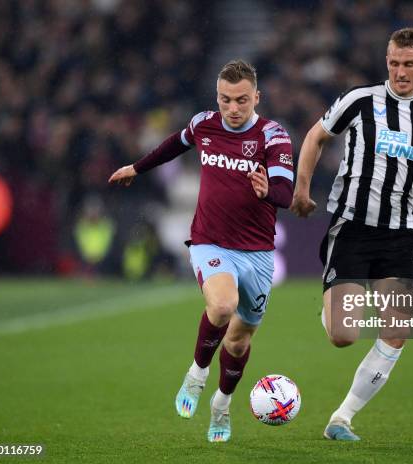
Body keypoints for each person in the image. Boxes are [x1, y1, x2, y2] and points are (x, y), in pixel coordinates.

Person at [109, 60, 294, 443]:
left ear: (256, 97)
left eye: (242, 100)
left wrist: (267, 192)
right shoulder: (204, 124)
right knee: (222, 306)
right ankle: (196, 375)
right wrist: (136, 168)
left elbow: (286, 193)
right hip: (209, 240)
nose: (233, 108)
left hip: (257, 252)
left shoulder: (273, 136)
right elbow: (173, 145)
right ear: (217, 97)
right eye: (225, 99)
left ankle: (221, 406)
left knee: (240, 340)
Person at [291, 27, 413, 441]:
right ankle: (332, 310)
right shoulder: (360, 100)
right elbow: (316, 137)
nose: (400, 72)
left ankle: (341, 418)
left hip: (400, 234)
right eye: (394, 64)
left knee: (398, 329)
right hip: (352, 226)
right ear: (387, 62)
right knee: (343, 336)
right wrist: (301, 186)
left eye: (408, 64)